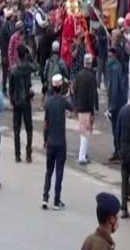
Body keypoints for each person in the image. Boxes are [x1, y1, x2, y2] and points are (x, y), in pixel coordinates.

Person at [42, 73, 73, 211]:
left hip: (50, 140)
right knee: (59, 171)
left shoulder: (48, 102)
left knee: (49, 171)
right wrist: (70, 91)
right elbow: (73, 107)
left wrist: (44, 139)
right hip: (60, 141)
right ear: (61, 87)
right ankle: (56, 200)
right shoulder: (63, 102)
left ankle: (44, 197)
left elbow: (45, 123)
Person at [9, 45, 35, 163]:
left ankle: (17, 154)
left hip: (17, 100)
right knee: (29, 128)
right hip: (26, 100)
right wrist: (31, 58)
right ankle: (28, 154)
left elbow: (11, 87)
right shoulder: (28, 66)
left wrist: (12, 100)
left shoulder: (14, 69)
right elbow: (37, 67)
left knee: (16, 129)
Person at [116, 92, 130, 218]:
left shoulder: (122, 111)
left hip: (123, 149)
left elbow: (118, 130)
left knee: (124, 179)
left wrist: (118, 148)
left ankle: (123, 206)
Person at [74, 53, 98, 165]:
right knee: (85, 133)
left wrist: (75, 106)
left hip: (80, 107)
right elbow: (92, 96)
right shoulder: (91, 77)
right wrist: (93, 111)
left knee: (83, 131)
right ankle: (82, 157)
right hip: (87, 109)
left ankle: (83, 153)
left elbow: (75, 90)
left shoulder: (79, 75)